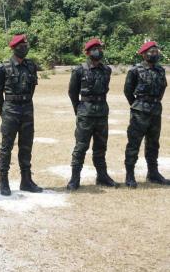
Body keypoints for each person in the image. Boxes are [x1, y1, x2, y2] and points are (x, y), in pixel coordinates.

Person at [0, 34, 43, 196]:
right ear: (14, 48)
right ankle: (4, 181)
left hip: (27, 108)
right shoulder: (3, 67)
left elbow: (33, 87)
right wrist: (3, 109)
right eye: (21, 46)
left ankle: (26, 180)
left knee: (26, 145)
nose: (25, 48)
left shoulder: (31, 66)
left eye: (26, 45)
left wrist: (26, 101)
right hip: (11, 109)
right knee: (6, 147)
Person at [67, 39, 118, 190]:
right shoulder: (79, 70)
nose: (98, 51)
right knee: (81, 146)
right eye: (95, 49)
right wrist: (79, 109)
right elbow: (72, 92)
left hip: (102, 112)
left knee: (101, 146)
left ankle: (102, 176)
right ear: (88, 52)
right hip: (86, 112)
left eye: (100, 48)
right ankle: (75, 178)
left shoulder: (106, 70)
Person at [124, 41, 169, 188]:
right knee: (134, 143)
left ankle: (153, 173)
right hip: (140, 111)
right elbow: (128, 90)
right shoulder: (135, 70)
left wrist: (154, 102)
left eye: (156, 51)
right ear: (143, 54)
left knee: (153, 143)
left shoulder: (160, 70)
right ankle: (130, 175)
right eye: (151, 51)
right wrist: (138, 104)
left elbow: (163, 88)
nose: (154, 54)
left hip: (156, 110)